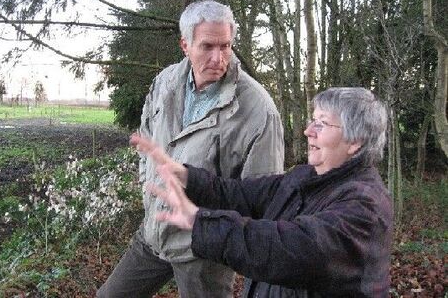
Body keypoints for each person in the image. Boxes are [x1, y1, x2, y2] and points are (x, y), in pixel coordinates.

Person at [97, 0, 285, 298]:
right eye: (207, 46)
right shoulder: (166, 82)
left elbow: (265, 196)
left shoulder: (258, 110)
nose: (218, 58)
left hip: (204, 251)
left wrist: (215, 235)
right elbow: (147, 134)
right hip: (154, 231)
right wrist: (150, 186)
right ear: (185, 45)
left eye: (225, 46)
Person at [131, 87, 393, 298]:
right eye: (312, 120)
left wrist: (200, 221)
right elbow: (238, 194)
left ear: (355, 141)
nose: (308, 132)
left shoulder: (364, 206)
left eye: (322, 124)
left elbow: (288, 248)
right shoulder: (305, 178)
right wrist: (185, 175)